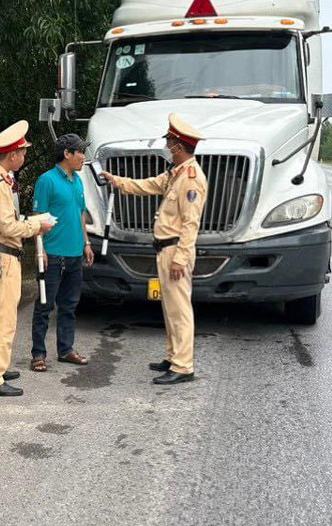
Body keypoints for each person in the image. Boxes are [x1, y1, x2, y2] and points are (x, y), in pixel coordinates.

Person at [103, 114, 208, 386]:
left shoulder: (191, 179)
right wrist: (117, 181)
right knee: (170, 308)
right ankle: (173, 356)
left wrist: (181, 259)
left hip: (176, 251)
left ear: (179, 146)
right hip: (165, 249)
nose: (167, 146)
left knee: (180, 310)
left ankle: (183, 366)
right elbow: (147, 185)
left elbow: (190, 224)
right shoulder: (176, 174)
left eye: (170, 142)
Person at [0, 120, 54, 397]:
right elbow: (7, 228)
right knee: (3, 318)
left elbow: (4, 221)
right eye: (22, 152)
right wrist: (37, 227)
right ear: (12, 155)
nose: (24, 157)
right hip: (2, 256)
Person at [29, 133, 93, 372]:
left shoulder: (77, 180)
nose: (83, 157)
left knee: (69, 305)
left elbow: (80, 213)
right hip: (53, 254)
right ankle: (38, 354)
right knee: (45, 306)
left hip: (75, 253)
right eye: (80, 152)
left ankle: (66, 350)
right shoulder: (46, 181)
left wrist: (86, 244)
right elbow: (38, 218)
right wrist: (40, 250)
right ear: (67, 154)